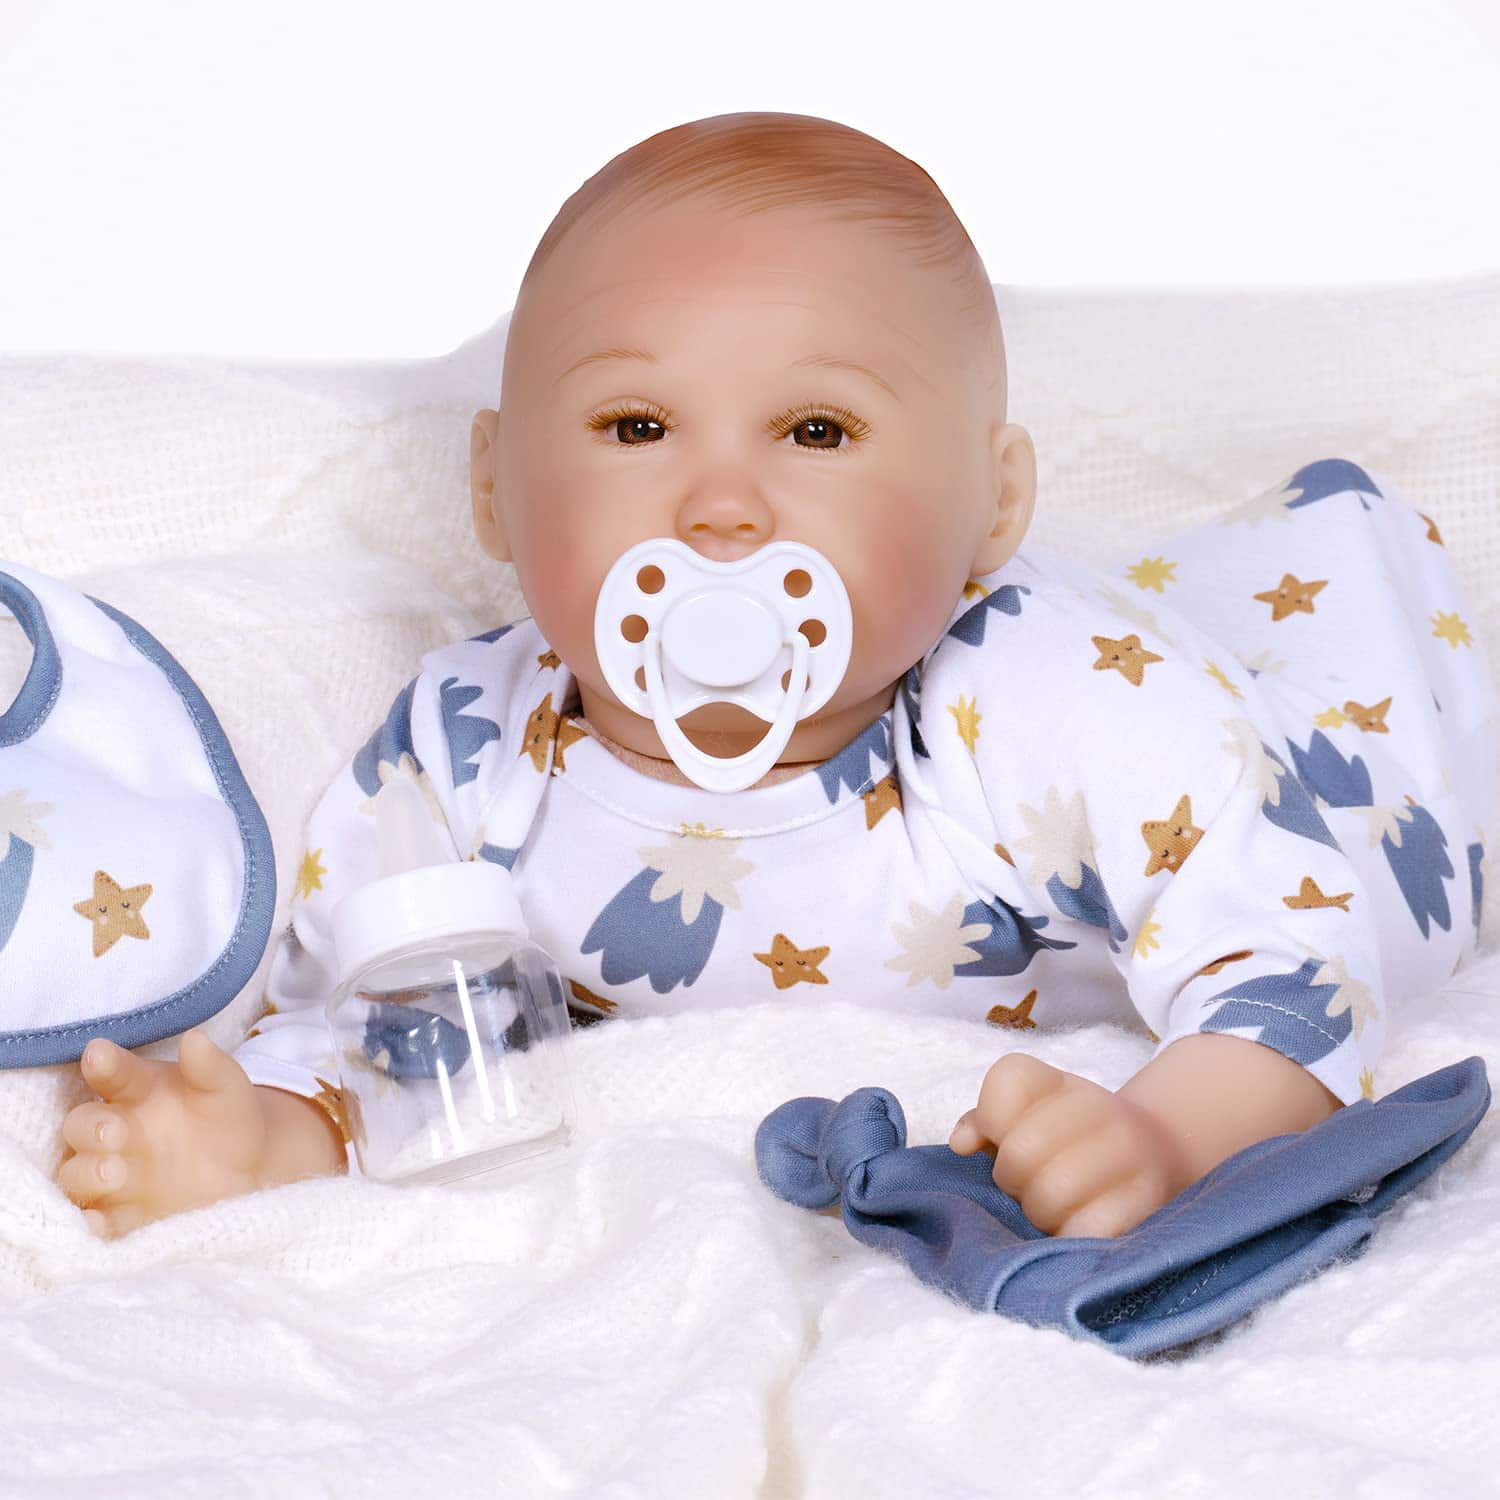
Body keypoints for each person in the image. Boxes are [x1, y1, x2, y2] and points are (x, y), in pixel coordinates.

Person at [55, 112, 1497, 1243]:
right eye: (636, 426)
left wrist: (1170, 1132)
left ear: (994, 505)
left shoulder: (1055, 699)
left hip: (1347, 764)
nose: (722, 508)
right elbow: (374, 1013)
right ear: (494, 489)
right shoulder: (467, 747)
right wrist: (269, 1132)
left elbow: (1292, 952)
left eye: (816, 431)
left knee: (1402, 769)